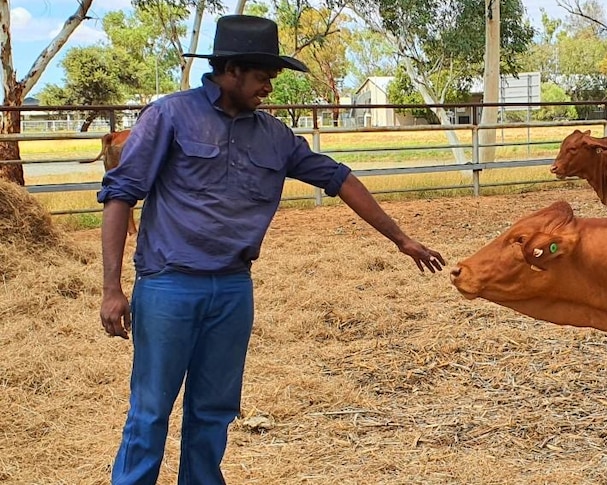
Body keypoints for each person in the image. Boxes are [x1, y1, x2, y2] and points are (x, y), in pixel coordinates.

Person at [97, 14, 445, 485]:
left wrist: (401, 238)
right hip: (168, 285)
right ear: (233, 70)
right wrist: (111, 288)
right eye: (263, 77)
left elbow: (338, 178)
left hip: (233, 289)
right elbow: (121, 194)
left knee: (214, 410)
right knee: (151, 411)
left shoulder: (274, 137)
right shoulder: (170, 116)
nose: (269, 88)